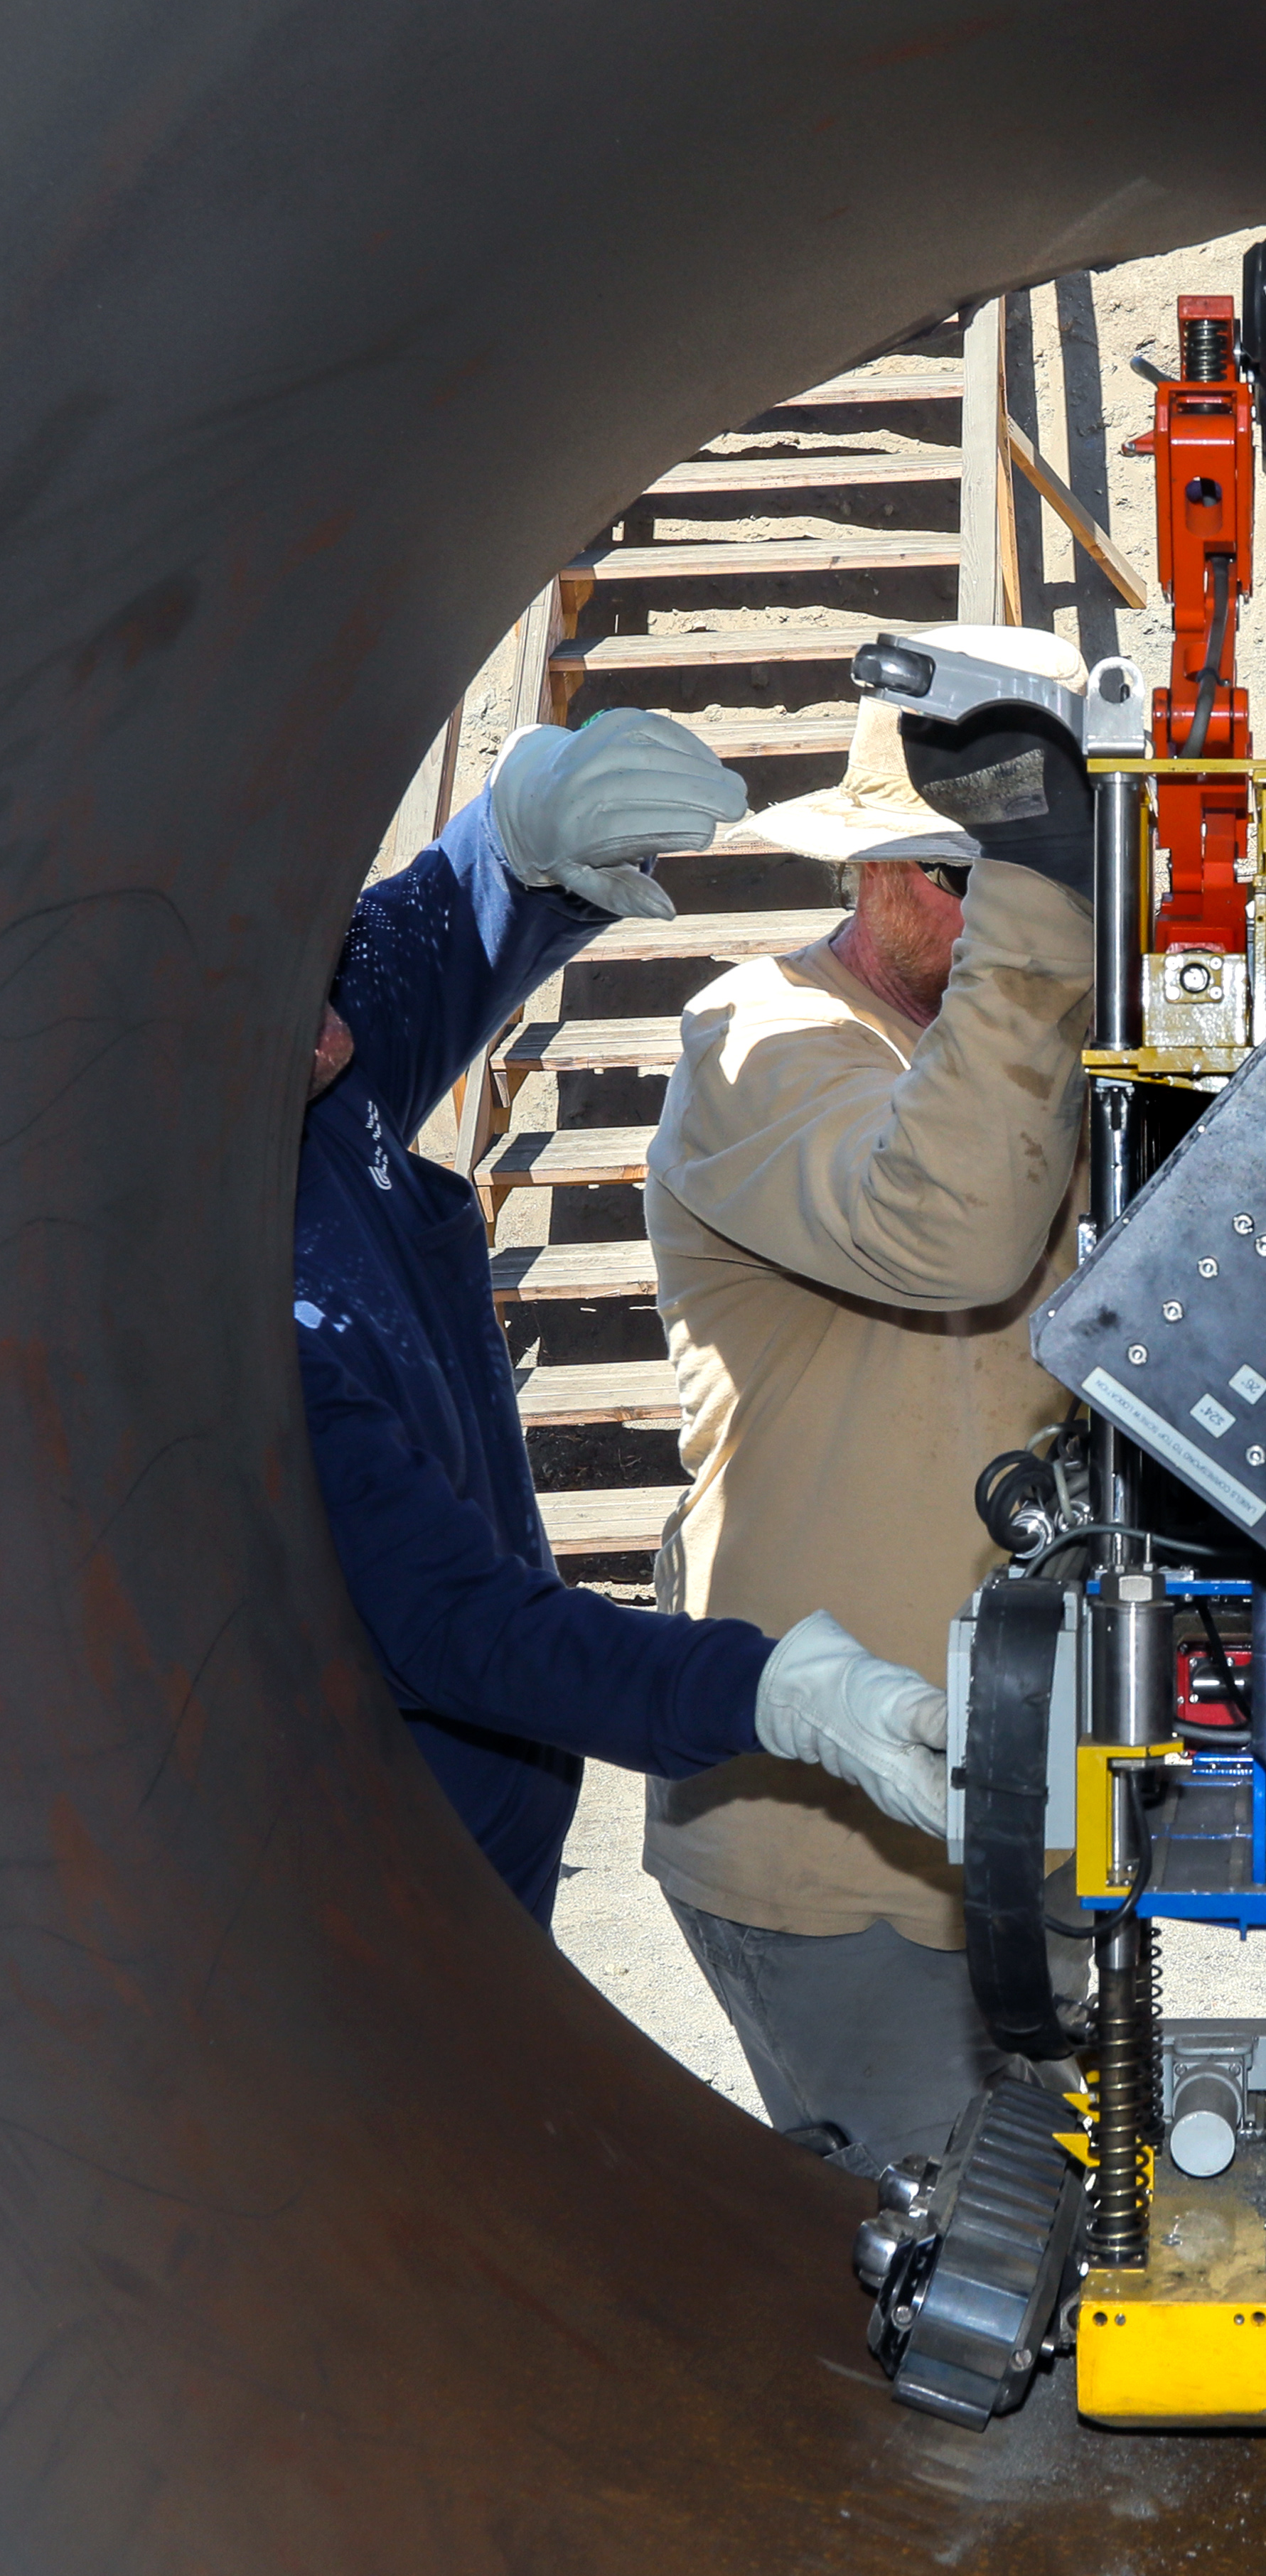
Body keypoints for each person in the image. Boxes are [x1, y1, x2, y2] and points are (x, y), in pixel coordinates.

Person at [298, 708, 953, 1929]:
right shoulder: (248, 1324)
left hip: (477, 1882)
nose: (336, 1004)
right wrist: (767, 1693)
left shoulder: (298, 1061)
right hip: (369, 1925)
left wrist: (508, 847)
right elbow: (465, 1629)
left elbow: (393, 964)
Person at [641, 637, 1099, 2166]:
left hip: (1029, 1825)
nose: (1011, 918)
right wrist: (1039, 923)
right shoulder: (758, 1038)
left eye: (1041, 877)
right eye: (980, 876)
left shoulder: (1037, 1047)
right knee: (926, 2279)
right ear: (885, 874)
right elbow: (946, 1230)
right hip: (835, 1855)